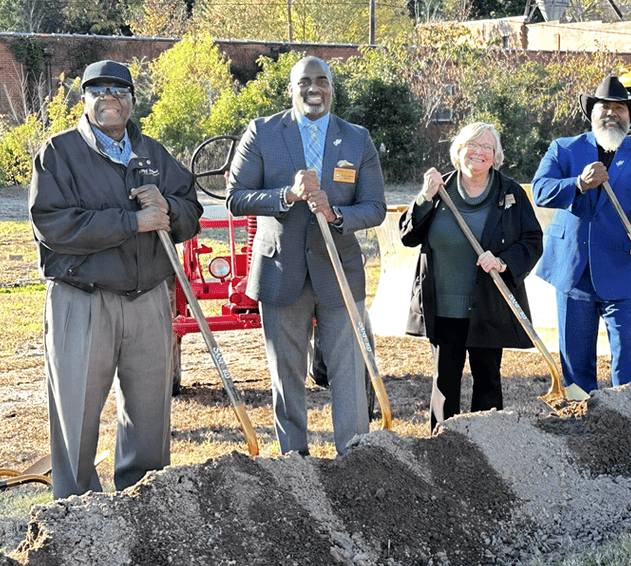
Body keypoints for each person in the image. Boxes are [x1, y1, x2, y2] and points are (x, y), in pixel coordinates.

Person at [29, 60, 203, 499]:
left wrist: (168, 208)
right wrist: (133, 222)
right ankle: (75, 509)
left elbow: (190, 209)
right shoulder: (59, 152)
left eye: (120, 90)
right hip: (82, 299)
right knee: (77, 412)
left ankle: (143, 500)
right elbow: (53, 225)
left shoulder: (153, 153)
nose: (110, 97)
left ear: (131, 99)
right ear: (84, 100)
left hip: (147, 298)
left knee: (149, 412)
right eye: (98, 90)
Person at [227, 56, 385, 455]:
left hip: (339, 271)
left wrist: (335, 214)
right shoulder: (262, 132)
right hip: (282, 271)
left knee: (347, 372)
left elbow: (375, 206)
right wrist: (287, 195)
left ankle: (355, 456)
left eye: (322, 81)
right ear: (291, 89)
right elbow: (236, 198)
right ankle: (294, 461)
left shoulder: (356, 139)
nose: (314, 88)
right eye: (304, 82)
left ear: (332, 88)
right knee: (287, 373)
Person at [531, 76, 631, 393]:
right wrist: (578, 184)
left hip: (622, 267)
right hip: (572, 269)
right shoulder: (564, 149)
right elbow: (540, 191)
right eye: (604, 107)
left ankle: (628, 412)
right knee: (574, 353)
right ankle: (579, 410)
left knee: (625, 348)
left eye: (620, 108)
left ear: (630, 115)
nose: (612, 113)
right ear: (591, 113)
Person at [399, 122, 543, 431]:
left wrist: (504, 262)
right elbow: (408, 236)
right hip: (443, 308)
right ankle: (441, 443)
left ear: (495, 156)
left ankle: (487, 442)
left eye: (486, 148)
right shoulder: (439, 191)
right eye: (470, 146)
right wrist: (425, 196)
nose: (477, 153)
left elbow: (532, 240)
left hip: (488, 306)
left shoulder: (510, 193)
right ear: (458, 151)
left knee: (487, 379)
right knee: (444, 381)